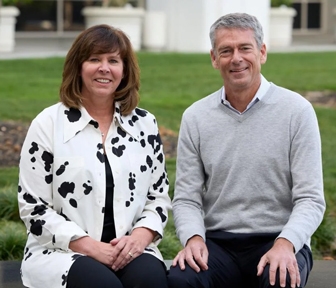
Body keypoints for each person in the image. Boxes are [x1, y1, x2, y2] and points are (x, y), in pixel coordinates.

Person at [167, 12, 325, 288]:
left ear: (262, 53)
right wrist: (193, 238)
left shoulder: (297, 111)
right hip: (217, 242)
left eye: (245, 48)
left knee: (282, 280)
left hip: (278, 237)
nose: (236, 58)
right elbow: (186, 198)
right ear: (214, 59)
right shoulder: (196, 116)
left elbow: (311, 199)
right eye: (226, 51)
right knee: (182, 281)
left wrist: (286, 243)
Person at [18, 24, 171, 288]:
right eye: (94, 59)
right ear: (78, 67)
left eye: (113, 60)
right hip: (63, 252)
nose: (104, 68)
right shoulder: (49, 124)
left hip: (129, 248)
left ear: (124, 71)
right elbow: (33, 207)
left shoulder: (144, 124)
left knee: (151, 281)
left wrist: (140, 237)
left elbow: (157, 197)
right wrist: (92, 248)